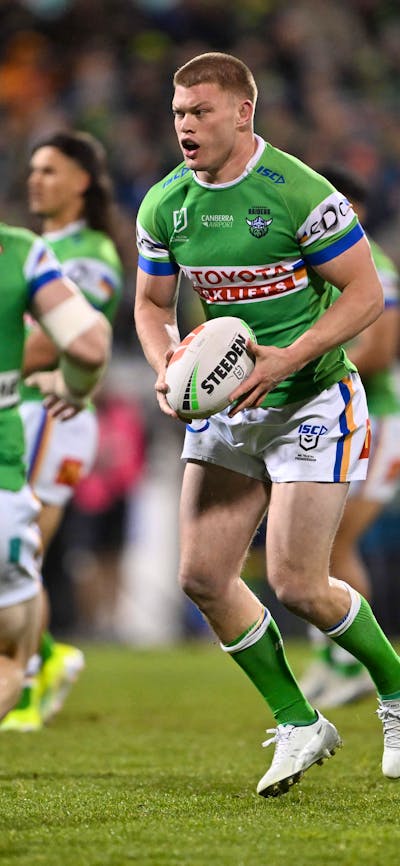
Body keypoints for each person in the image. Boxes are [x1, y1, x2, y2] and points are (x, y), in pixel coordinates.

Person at [134, 51, 400, 797]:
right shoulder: (165, 204)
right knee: (202, 576)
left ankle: (397, 696)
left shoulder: (298, 194)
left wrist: (287, 360)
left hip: (311, 397)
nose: (186, 125)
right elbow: (153, 306)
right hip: (228, 407)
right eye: (179, 112)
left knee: (298, 582)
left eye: (201, 111)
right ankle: (297, 722)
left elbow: (365, 295)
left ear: (243, 111)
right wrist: (166, 368)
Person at [0, 131, 123, 732]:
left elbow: (63, 338)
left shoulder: (88, 253)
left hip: (54, 411)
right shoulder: (38, 246)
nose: (36, 180)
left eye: (50, 170)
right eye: (32, 169)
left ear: (82, 180)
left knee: (27, 554)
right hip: (20, 407)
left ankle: (24, 682)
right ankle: (45, 657)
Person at [298, 165, 400, 707]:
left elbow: (382, 354)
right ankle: (336, 657)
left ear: (352, 209)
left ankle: (354, 661)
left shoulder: (376, 265)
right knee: (321, 549)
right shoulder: (321, 268)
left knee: (337, 544)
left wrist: (310, 362)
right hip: (347, 417)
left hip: (378, 420)